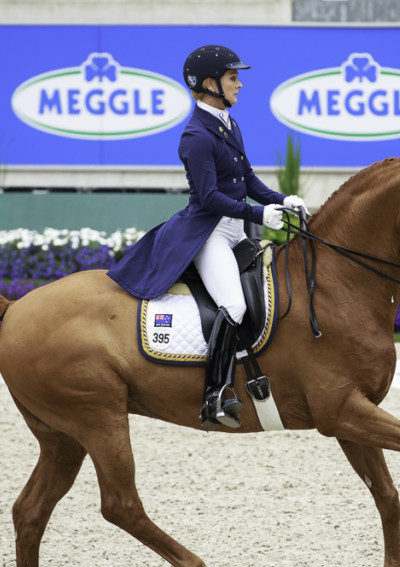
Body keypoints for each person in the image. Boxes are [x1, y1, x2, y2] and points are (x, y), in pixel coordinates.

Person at [108, 44, 308, 430]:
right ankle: (214, 394)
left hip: (238, 231)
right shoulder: (195, 136)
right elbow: (210, 197)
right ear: (210, 84)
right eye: (234, 78)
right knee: (233, 306)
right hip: (209, 234)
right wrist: (258, 212)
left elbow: (247, 180)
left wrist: (283, 200)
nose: (240, 84)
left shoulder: (229, 125)